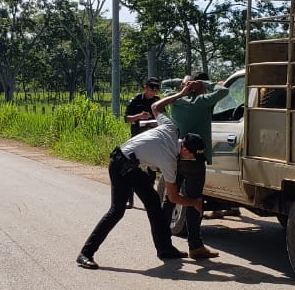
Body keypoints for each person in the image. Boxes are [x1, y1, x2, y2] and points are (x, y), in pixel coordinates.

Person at [76, 80, 205, 270]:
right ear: (185, 149)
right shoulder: (169, 160)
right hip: (120, 164)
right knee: (117, 211)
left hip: (132, 165)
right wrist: (194, 202)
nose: (192, 159)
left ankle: (165, 249)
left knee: (153, 203)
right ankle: (85, 254)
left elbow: (155, 106)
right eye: (193, 155)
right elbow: (174, 197)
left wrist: (181, 94)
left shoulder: (170, 128)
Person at [162, 71, 230, 260]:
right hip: (195, 159)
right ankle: (195, 246)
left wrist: (184, 84)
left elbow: (165, 82)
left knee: (170, 198)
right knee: (194, 201)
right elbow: (224, 91)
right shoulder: (202, 102)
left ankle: (162, 241)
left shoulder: (175, 100)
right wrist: (203, 83)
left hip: (175, 156)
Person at [122, 77, 162, 207]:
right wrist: (139, 116)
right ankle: (129, 199)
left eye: (156, 88)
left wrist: (156, 121)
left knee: (151, 171)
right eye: (152, 88)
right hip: (137, 139)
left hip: (152, 138)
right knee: (132, 168)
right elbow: (126, 119)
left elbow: (163, 118)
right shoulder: (136, 100)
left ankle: (148, 199)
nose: (154, 91)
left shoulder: (158, 101)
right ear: (145, 87)